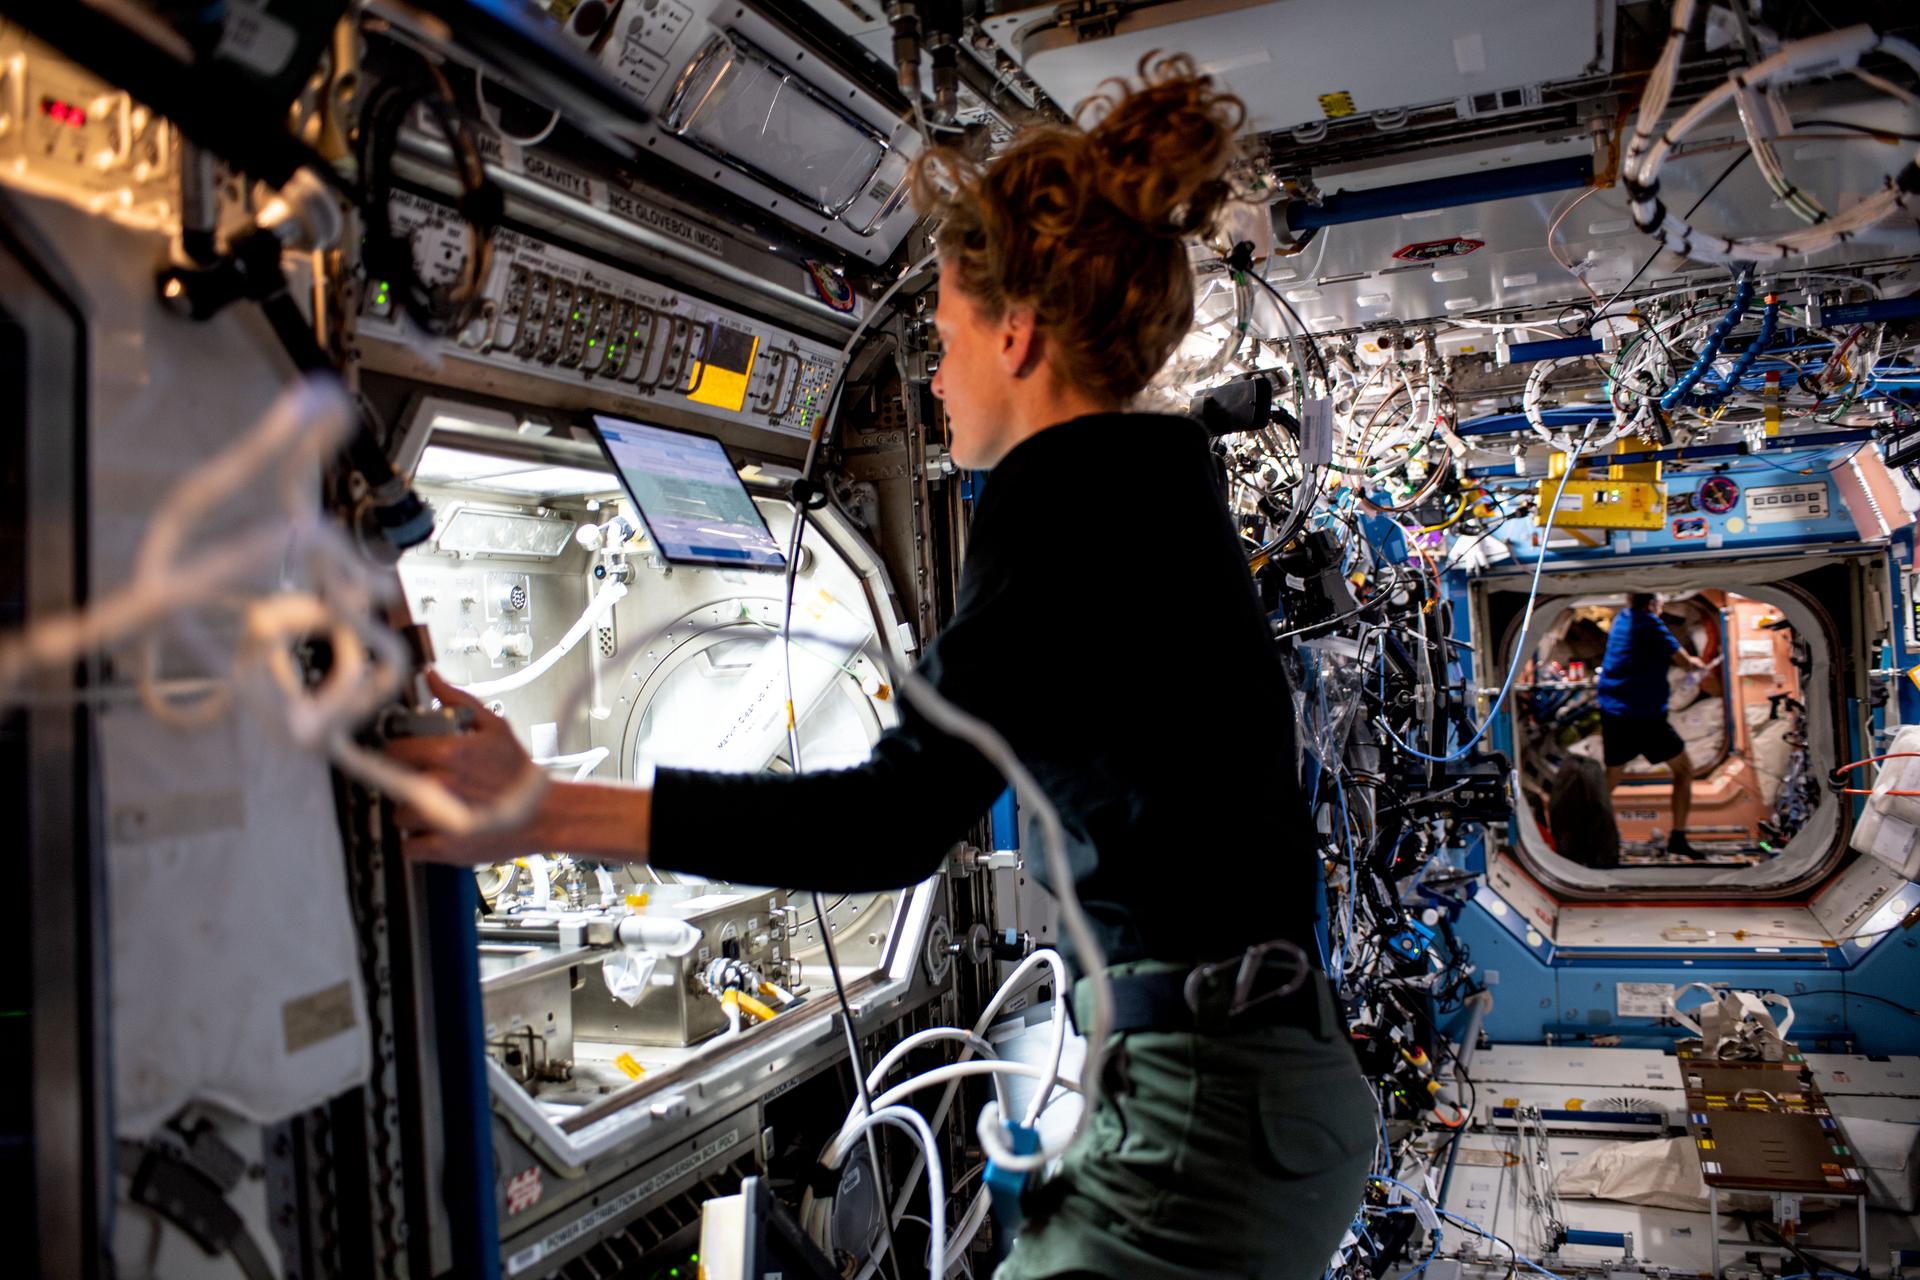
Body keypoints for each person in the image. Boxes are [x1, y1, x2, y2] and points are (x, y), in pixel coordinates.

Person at [390, 55, 1373, 1280]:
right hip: (1259, 1093)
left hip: (1213, 1119)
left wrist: (541, 809)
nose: (934, 376)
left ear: (1016, 334)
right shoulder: (1159, 484)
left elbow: (886, 824)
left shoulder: (1064, 507)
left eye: (948, 338)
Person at [1596, 592, 1710, 857]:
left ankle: (1589, 833)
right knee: (1684, 770)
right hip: (1644, 715)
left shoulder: (1621, 619)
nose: (1661, 610)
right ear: (1651, 605)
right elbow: (1684, 661)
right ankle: (1678, 838)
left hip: (1614, 711)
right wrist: (1697, 665)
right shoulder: (1651, 623)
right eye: (1660, 605)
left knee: (1611, 776)